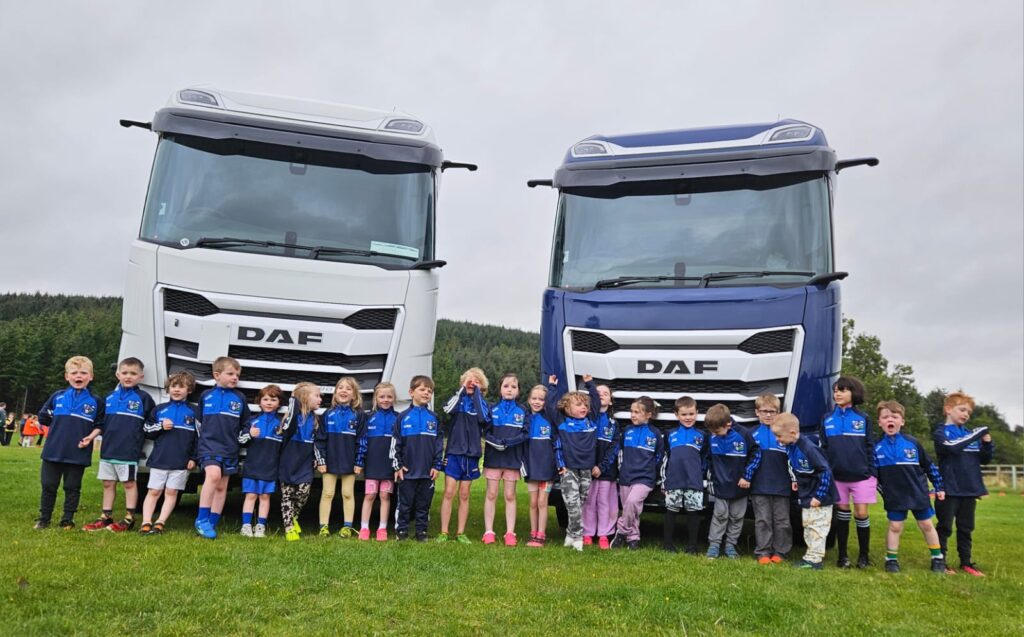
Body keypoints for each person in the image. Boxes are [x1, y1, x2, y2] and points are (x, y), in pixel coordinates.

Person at [82, 357, 155, 533]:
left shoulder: (144, 398)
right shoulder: (109, 397)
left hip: (129, 450)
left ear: (141, 376)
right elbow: (100, 422)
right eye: (125, 373)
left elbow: (151, 423)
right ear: (118, 374)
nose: (128, 376)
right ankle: (105, 516)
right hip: (108, 449)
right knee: (108, 483)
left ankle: (129, 518)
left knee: (129, 483)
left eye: (133, 373)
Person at [874, 400, 947, 574]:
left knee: (926, 525)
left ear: (902, 421)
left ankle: (937, 557)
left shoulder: (913, 443)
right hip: (895, 495)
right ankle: (891, 560)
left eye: (895, 416)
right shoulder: (876, 448)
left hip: (917, 492)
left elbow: (929, 466)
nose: (890, 419)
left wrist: (939, 486)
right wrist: (884, 492)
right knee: (895, 526)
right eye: (885, 417)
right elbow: (874, 477)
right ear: (879, 422)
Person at [35, 356, 104, 530]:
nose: (78, 376)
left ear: (91, 376)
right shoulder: (57, 397)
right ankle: (44, 519)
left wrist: (90, 437)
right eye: (74, 373)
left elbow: (101, 425)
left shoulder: (96, 401)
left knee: (72, 487)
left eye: (83, 373)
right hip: (53, 450)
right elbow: (43, 416)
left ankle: (67, 519)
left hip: (78, 452)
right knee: (48, 486)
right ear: (67, 376)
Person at [933, 390, 994, 576]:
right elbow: (953, 448)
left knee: (966, 528)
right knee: (945, 527)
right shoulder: (941, 433)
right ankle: (940, 561)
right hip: (949, 489)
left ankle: (966, 562)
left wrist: (987, 444)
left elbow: (984, 459)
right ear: (948, 409)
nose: (966, 414)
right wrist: (976, 434)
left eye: (968, 412)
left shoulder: (969, 434)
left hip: (969, 490)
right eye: (962, 410)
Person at [819, 376, 875, 568]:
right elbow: (824, 448)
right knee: (842, 514)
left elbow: (870, 446)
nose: (837, 394)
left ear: (853, 392)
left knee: (861, 513)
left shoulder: (863, 418)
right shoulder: (827, 419)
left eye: (842, 390)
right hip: (837, 477)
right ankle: (842, 557)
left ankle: (864, 557)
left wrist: (872, 472)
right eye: (835, 391)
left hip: (861, 477)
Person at [194, 356, 251, 539]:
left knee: (221, 487)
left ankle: (212, 522)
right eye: (230, 374)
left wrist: (244, 436)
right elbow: (198, 423)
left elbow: (246, 424)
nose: (235, 378)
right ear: (217, 375)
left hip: (230, 448)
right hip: (209, 446)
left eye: (237, 375)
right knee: (213, 476)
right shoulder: (206, 396)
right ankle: (201, 519)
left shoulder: (240, 398)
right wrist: (200, 444)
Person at [772, 412, 837, 569]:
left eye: (779, 436)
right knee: (808, 525)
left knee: (817, 527)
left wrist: (819, 496)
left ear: (792, 433)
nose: (777, 439)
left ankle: (815, 561)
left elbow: (825, 471)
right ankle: (810, 556)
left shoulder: (809, 449)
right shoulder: (791, 447)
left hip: (820, 497)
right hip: (807, 494)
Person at [139, 371, 200, 534]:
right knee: (154, 491)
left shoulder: (195, 412)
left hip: (182, 461)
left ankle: (160, 522)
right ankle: (146, 522)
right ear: (168, 388)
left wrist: (194, 458)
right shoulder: (159, 409)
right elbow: (147, 430)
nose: (177, 390)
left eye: (182, 387)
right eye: (173, 386)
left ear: (189, 390)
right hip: (160, 459)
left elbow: (199, 437)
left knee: (171, 492)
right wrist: (160, 426)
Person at [546, 373, 601, 551]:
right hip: (568, 469)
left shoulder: (591, 421)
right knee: (573, 505)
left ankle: (570, 534)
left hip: (586, 470)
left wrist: (590, 384)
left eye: (585, 404)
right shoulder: (562, 422)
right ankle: (577, 537)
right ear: (567, 408)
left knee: (580, 503)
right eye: (578, 405)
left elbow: (596, 402)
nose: (583, 407)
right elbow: (550, 406)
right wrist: (552, 387)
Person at [437, 367, 490, 544]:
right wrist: (462, 390)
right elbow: (447, 409)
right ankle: (444, 532)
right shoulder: (457, 400)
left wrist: (477, 394)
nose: (471, 382)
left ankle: (461, 532)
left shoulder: (482, 403)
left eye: (476, 380)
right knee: (449, 492)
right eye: (469, 379)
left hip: (472, 454)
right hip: (454, 452)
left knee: (465, 494)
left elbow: (483, 418)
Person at [603, 396, 663, 550]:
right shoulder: (627, 431)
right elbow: (620, 452)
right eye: (632, 411)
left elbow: (659, 457)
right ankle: (633, 539)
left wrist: (653, 473)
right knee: (631, 509)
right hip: (626, 477)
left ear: (648, 414)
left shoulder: (655, 433)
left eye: (637, 412)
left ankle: (621, 532)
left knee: (632, 502)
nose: (633, 415)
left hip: (645, 478)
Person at [390, 375, 443, 541]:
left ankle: (422, 532)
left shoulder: (434, 418)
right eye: (422, 389)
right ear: (411, 392)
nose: (426, 393)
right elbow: (395, 443)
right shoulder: (402, 417)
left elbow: (439, 444)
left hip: (427, 472)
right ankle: (401, 531)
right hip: (407, 471)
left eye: (430, 391)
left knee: (424, 504)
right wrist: (398, 465)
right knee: (404, 504)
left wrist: (437, 465)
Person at [705, 403, 760, 559]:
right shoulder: (712, 436)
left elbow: (756, 455)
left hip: (740, 485)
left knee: (737, 516)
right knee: (720, 515)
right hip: (720, 484)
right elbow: (708, 459)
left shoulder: (744, 434)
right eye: (712, 431)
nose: (714, 434)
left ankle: (730, 545)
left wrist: (747, 476)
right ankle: (714, 545)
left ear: (728, 424)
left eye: (717, 431)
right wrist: (711, 478)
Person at [482, 373, 529, 546]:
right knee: (491, 494)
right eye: (506, 386)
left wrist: (509, 443)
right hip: (493, 458)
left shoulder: (523, 411)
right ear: (500, 389)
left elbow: (525, 433)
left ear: (518, 391)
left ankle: (510, 533)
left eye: (513, 387)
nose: (509, 390)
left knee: (510, 495)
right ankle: (488, 531)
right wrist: (496, 442)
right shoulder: (491, 408)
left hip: (512, 459)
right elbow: (485, 431)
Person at [278, 382, 326, 541]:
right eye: (316, 396)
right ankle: (289, 527)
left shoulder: (316, 420)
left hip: (305, 462)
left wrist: (317, 459)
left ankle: (293, 517)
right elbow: (288, 427)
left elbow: (318, 442)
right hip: (289, 461)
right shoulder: (292, 418)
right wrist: (294, 399)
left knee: (303, 493)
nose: (320, 399)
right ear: (304, 398)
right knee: (287, 495)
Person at [748, 393, 793, 564]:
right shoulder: (751, 434)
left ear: (778, 413)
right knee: (763, 520)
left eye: (772, 411)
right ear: (757, 412)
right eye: (764, 411)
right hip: (759, 485)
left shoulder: (784, 434)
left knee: (782, 520)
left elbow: (792, 459)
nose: (768, 415)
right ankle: (763, 551)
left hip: (782, 485)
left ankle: (781, 551)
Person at [316, 376, 364, 537]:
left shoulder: (359, 415)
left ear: (354, 395)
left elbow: (362, 440)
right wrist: (321, 460)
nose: (344, 391)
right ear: (335, 393)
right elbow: (319, 440)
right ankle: (323, 527)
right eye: (340, 388)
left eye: (348, 388)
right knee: (327, 493)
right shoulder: (327, 414)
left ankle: (347, 527)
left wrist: (359, 461)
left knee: (347, 493)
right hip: (329, 461)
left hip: (349, 462)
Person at [660, 396, 706, 554]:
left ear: (697, 413)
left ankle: (692, 547)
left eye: (691, 414)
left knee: (693, 513)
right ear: (676, 415)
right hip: (674, 480)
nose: (688, 418)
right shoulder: (670, 434)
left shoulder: (702, 435)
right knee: (671, 511)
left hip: (694, 481)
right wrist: (664, 481)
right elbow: (665, 458)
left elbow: (705, 458)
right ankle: (667, 545)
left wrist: (700, 474)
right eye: (684, 414)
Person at [237, 384, 284, 538]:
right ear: (259, 401)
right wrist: (250, 434)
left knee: (265, 497)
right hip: (252, 465)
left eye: (273, 400)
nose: (269, 403)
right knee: (250, 495)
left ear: (279, 403)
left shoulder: (281, 424)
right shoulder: (253, 421)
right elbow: (240, 440)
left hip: (270, 467)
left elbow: (285, 447)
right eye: (265, 399)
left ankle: (260, 526)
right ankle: (246, 526)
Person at [355, 382, 398, 541]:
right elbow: (362, 441)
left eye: (389, 397)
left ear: (394, 398)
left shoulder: (398, 418)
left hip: (389, 464)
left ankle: (382, 528)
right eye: (382, 397)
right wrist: (360, 461)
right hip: (372, 463)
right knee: (370, 495)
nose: (385, 400)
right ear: (376, 398)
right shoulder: (368, 417)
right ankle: (364, 527)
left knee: (385, 495)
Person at [583, 382, 618, 549]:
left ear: (610, 401)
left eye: (605, 393)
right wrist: (590, 465)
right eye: (598, 393)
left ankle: (604, 534)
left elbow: (614, 448)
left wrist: (601, 467)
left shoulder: (613, 424)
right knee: (588, 501)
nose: (601, 395)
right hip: (587, 468)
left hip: (606, 471)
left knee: (605, 502)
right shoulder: (586, 419)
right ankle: (587, 532)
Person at [521, 384, 556, 548]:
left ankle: (541, 536)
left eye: (541, 399)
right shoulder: (525, 419)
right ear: (528, 400)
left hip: (547, 470)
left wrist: (552, 387)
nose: (537, 402)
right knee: (533, 503)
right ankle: (533, 533)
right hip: (531, 468)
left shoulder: (550, 419)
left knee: (543, 502)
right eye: (534, 398)